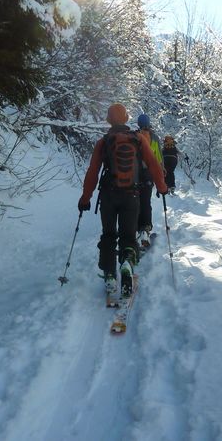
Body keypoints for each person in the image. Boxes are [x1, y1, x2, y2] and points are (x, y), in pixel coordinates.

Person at [78, 104, 167, 297]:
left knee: (108, 235)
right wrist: (162, 187)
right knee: (128, 236)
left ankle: (110, 275)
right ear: (127, 119)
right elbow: (153, 165)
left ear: (109, 120)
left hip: (109, 196)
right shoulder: (138, 139)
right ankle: (126, 264)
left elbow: (92, 172)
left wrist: (85, 198)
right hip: (132, 196)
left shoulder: (104, 141)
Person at [135, 113, 164, 248]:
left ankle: (134, 230)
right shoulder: (154, 138)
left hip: (134, 175)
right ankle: (145, 229)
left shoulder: (133, 136)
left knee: (134, 202)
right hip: (148, 175)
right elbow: (158, 158)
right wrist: (161, 178)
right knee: (146, 201)